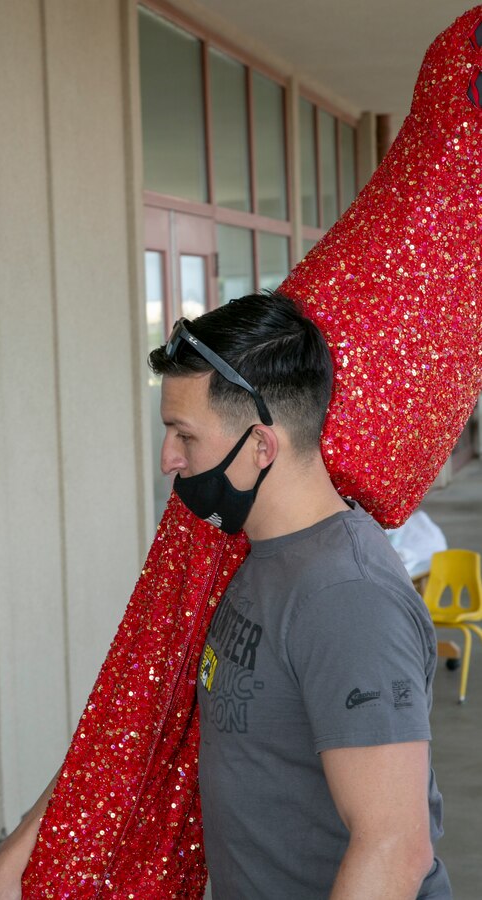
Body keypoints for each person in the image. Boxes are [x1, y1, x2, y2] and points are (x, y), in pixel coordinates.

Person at [147, 290, 451, 900]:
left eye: (184, 435)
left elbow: (394, 849)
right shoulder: (257, 554)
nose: (168, 459)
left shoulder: (346, 598)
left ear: (261, 446)